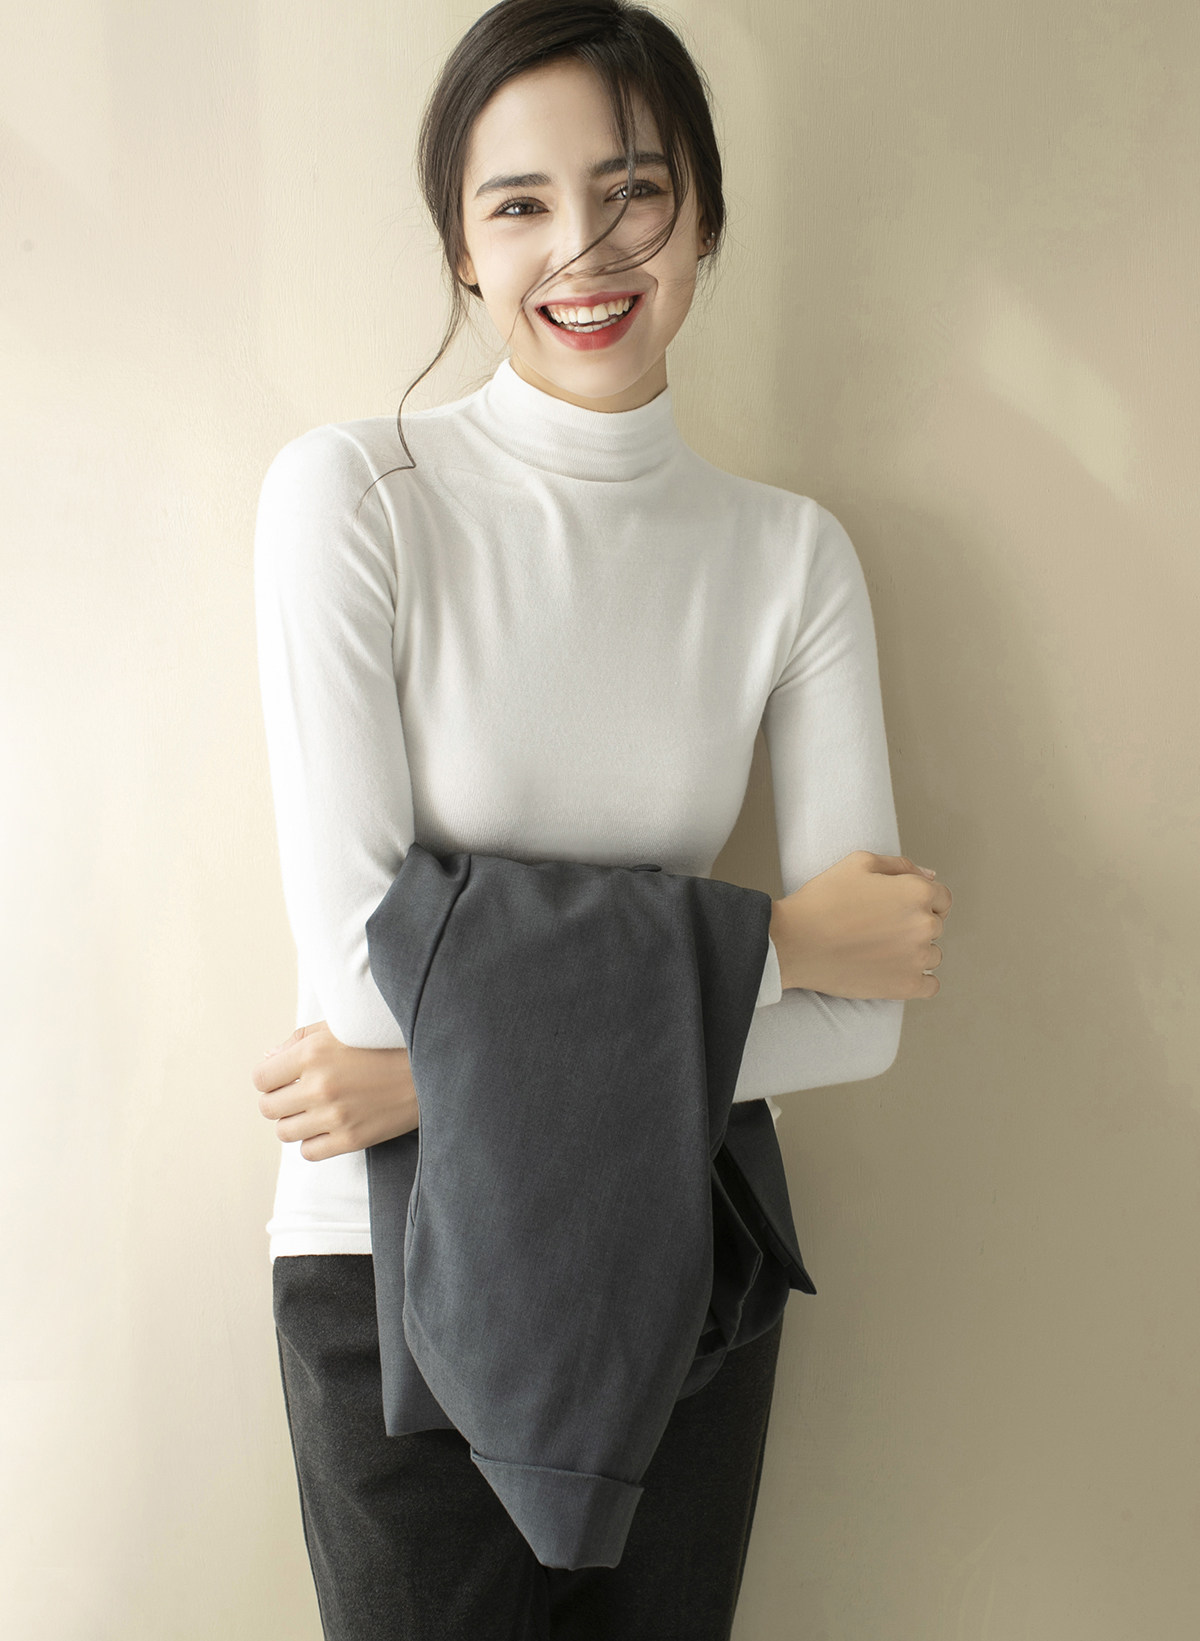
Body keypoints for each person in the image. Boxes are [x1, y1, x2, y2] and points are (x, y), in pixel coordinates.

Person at [249, 3, 952, 1637]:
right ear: (462, 245)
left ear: (704, 214)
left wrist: (432, 1077)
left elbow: (865, 1021)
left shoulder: (789, 557)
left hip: (677, 1266)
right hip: (393, 1267)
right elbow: (367, 979)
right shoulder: (354, 498)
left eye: (635, 189)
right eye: (521, 203)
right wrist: (774, 940)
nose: (585, 247)